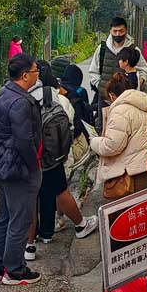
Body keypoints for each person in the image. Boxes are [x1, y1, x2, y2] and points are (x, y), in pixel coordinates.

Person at [0, 53, 44, 286]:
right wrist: (33, 166)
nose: (38, 75)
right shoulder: (21, 102)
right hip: (18, 168)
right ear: (26, 75)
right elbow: (24, 140)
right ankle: (15, 270)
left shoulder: (3, 93)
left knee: (4, 215)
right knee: (20, 218)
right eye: (36, 71)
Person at [25, 61, 97, 258]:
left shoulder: (23, 96)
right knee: (60, 191)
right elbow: (69, 127)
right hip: (53, 157)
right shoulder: (58, 98)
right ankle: (79, 225)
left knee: (31, 198)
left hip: (29, 156)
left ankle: (29, 246)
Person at [89, 72, 147, 199]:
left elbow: (112, 146)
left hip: (134, 175)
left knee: (131, 214)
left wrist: (94, 141)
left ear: (111, 96)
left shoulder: (120, 111)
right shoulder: (142, 105)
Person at [85, 16, 145, 104]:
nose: (118, 34)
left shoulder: (133, 50)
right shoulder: (102, 49)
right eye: (115, 31)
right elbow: (93, 71)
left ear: (126, 31)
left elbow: (144, 71)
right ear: (110, 31)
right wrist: (101, 87)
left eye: (121, 31)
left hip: (126, 102)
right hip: (104, 99)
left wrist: (138, 82)